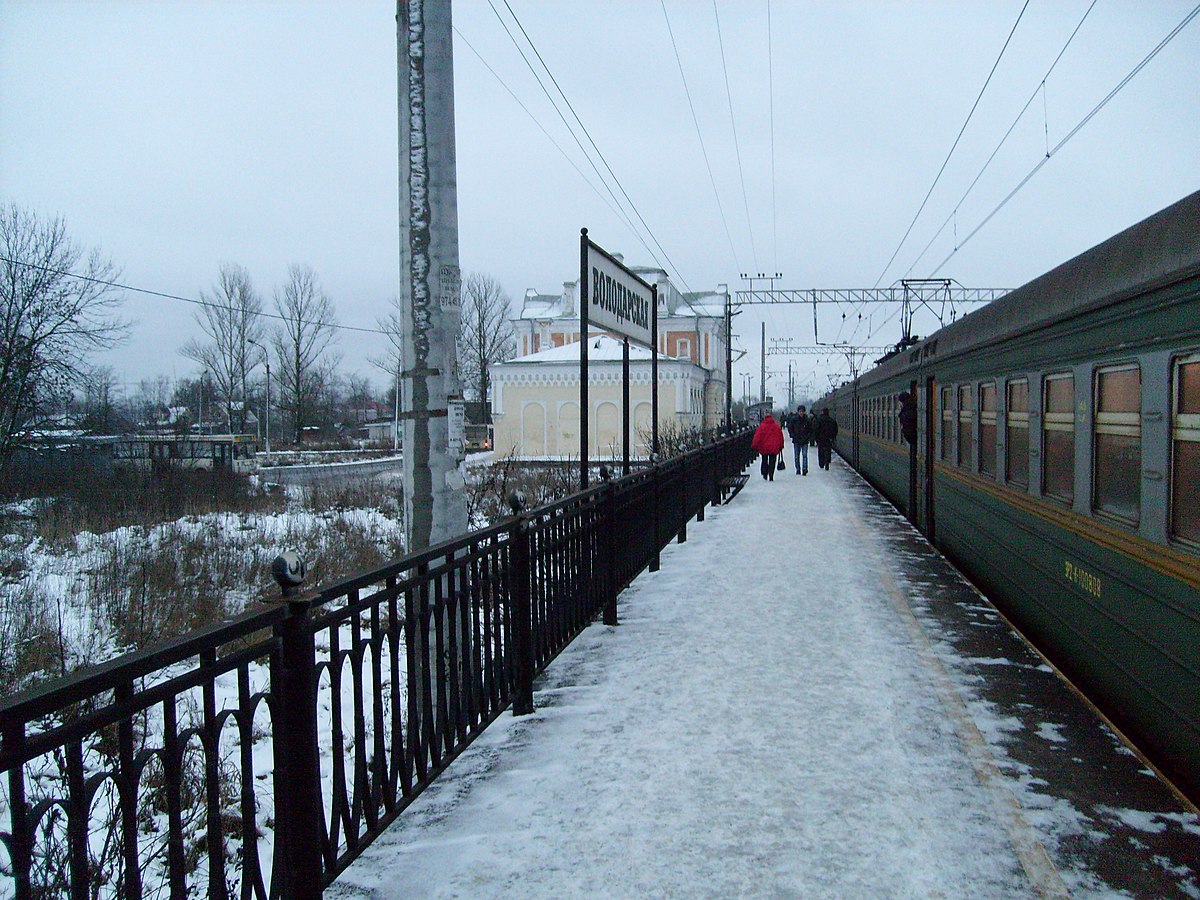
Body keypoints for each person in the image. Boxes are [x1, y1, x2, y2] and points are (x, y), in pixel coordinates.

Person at [751, 412, 785, 481]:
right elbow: (780, 436)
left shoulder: (761, 426)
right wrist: (781, 446)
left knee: (764, 460)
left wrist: (754, 445)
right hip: (774, 447)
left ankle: (765, 473)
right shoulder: (776, 426)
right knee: (772, 461)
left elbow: (757, 437)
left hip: (764, 447)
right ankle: (771, 474)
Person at [786, 404, 813, 475]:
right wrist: (792, 435)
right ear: (798, 412)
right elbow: (790, 428)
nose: (801, 413)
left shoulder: (807, 420)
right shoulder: (794, 420)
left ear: (804, 412)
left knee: (804, 455)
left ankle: (804, 469)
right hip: (796, 440)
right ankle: (798, 469)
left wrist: (808, 437)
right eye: (800, 411)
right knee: (796, 456)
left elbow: (811, 429)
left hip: (805, 440)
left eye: (802, 411)